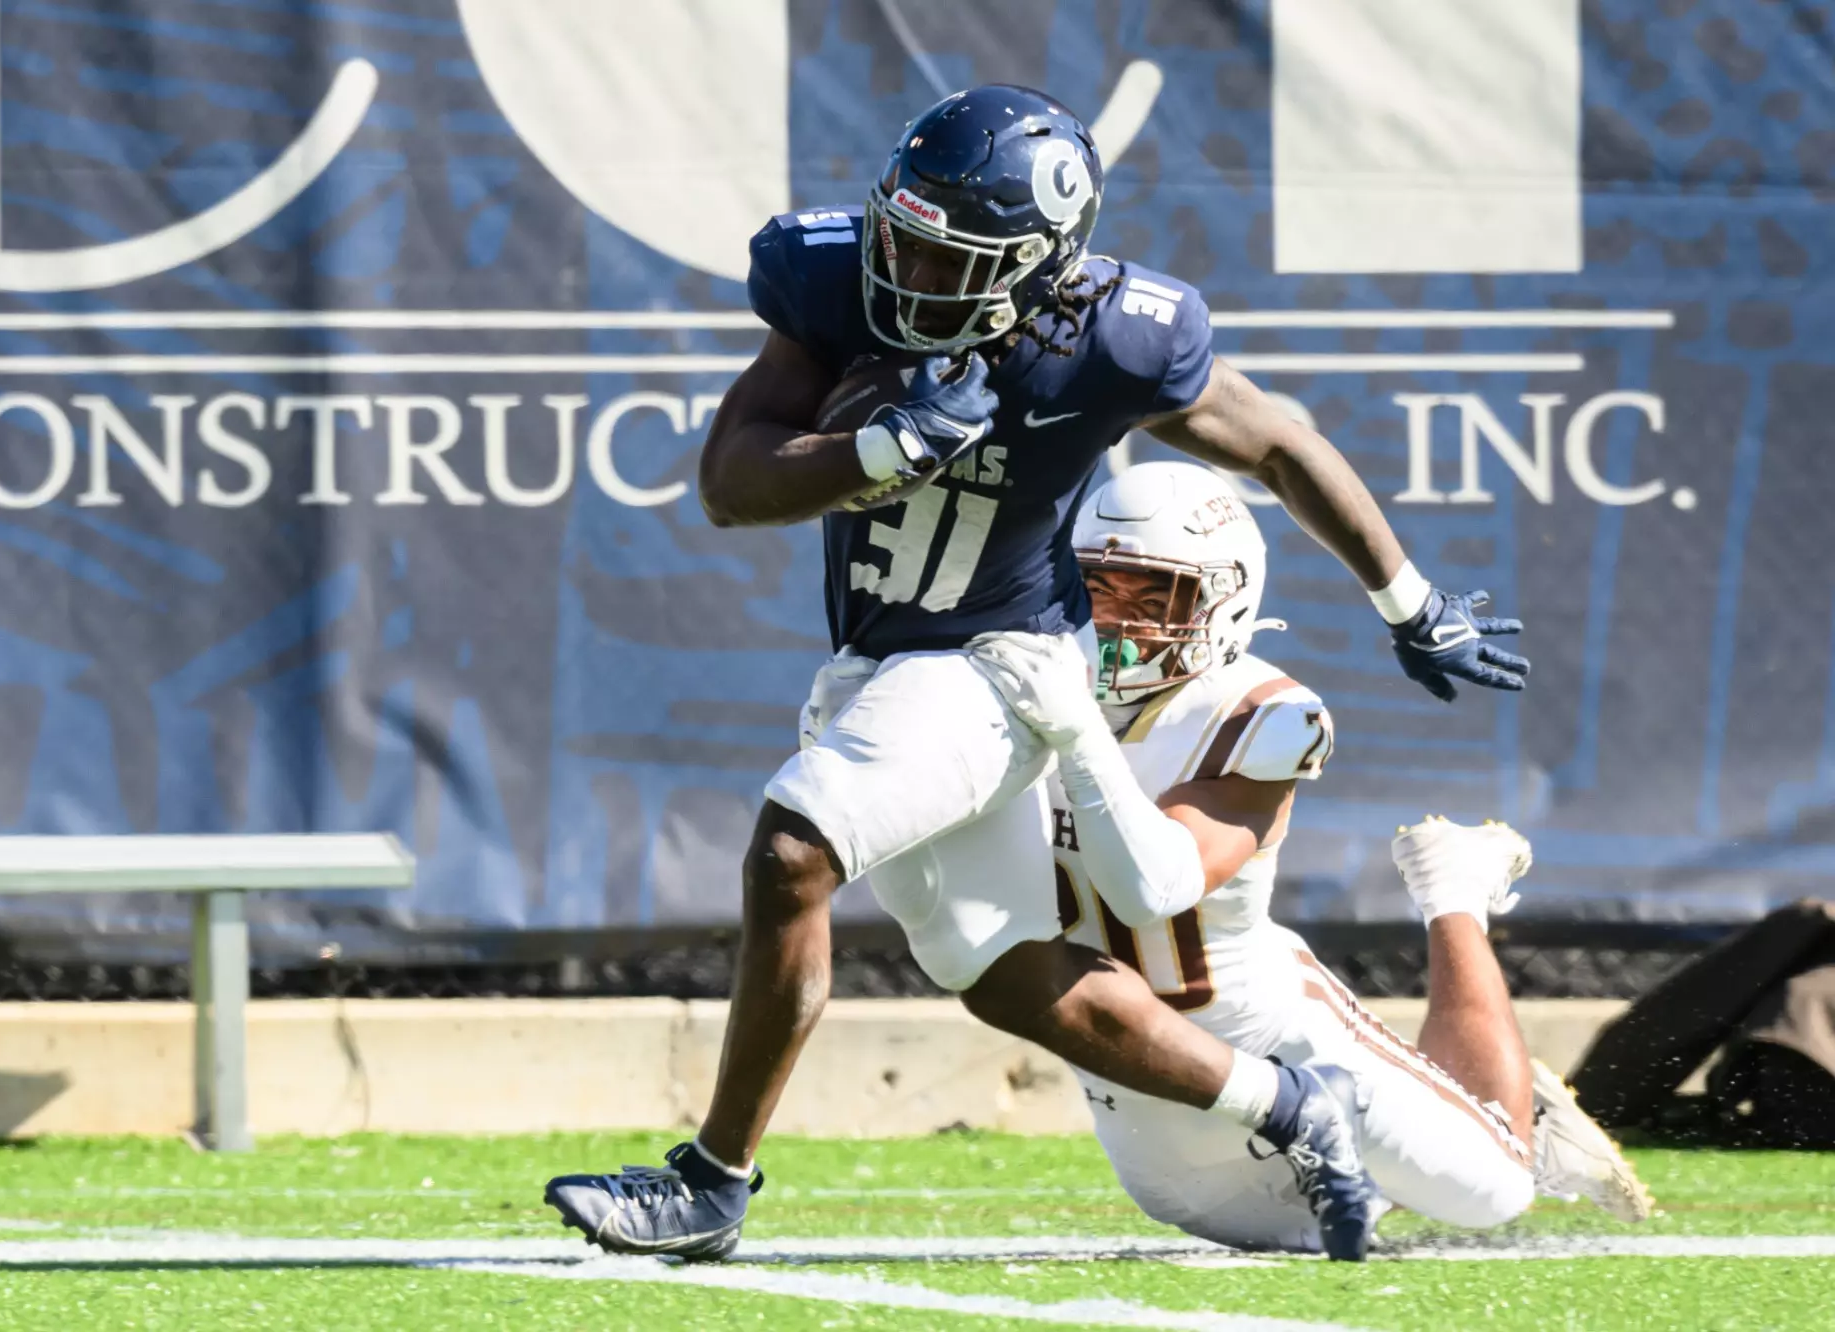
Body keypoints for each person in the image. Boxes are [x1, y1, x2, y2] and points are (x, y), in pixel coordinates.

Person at [545, 84, 1529, 1261]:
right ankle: (1286, 1105)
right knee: (1007, 977)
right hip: (878, 663)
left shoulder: (1114, 336)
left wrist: (1407, 601)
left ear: (1040, 262)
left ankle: (710, 1184)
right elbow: (730, 480)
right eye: (901, 233)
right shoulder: (828, 280)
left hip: (994, 661)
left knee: (794, 849)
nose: (906, 269)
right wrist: (874, 448)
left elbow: (1274, 441)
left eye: (949, 254)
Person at [958, 462, 1650, 1253]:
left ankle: (1451, 894)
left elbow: (1154, 886)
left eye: (1159, 596)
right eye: (1104, 588)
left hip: (1278, 1038)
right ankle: (1439, 1101)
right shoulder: (1024, 673)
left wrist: (1076, 737)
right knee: (1310, 1231)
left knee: (1494, 1191)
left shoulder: (1264, 713)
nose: (1125, 622)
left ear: (1226, 601)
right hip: (1134, 1088)